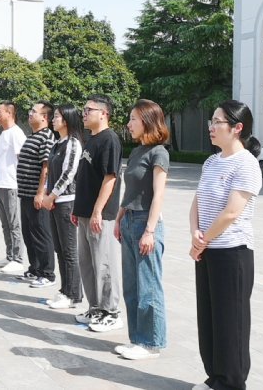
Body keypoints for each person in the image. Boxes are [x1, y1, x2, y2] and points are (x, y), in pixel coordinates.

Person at [190, 100, 262, 390]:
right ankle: (215, 378)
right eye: (212, 121)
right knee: (209, 319)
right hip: (207, 250)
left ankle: (231, 383)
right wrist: (195, 233)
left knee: (230, 323)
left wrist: (203, 240)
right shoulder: (211, 162)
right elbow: (197, 201)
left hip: (233, 253)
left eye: (217, 121)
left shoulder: (247, 164)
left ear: (237, 128)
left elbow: (232, 212)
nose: (211, 126)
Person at [113, 99, 170, 360]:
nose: (129, 124)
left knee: (149, 287)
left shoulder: (159, 153)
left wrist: (149, 231)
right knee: (132, 286)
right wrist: (119, 218)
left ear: (147, 121)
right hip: (129, 220)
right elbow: (130, 191)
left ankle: (151, 344)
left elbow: (158, 195)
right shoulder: (137, 151)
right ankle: (137, 339)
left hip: (146, 223)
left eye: (133, 119)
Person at [72, 94, 123, 332]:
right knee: (88, 264)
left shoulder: (109, 139)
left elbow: (110, 177)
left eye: (88, 110)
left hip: (100, 215)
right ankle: (96, 307)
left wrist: (97, 211)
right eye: (83, 110)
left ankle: (111, 311)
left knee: (104, 264)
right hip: (85, 213)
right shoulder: (91, 139)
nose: (84, 114)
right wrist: (78, 209)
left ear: (103, 113)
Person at [42, 103, 84, 309]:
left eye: (57, 116)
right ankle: (65, 290)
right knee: (59, 248)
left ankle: (74, 294)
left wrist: (52, 195)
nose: (53, 120)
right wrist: (46, 193)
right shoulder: (57, 143)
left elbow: (68, 173)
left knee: (69, 250)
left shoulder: (73, 143)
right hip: (54, 201)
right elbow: (50, 172)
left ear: (66, 120)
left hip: (66, 202)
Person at [16, 101, 56, 287]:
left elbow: (46, 167)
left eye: (34, 111)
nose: (30, 113)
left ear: (44, 117)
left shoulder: (47, 136)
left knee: (41, 233)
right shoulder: (32, 136)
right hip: (25, 194)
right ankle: (35, 269)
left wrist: (41, 192)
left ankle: (47, 273)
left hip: (35, 194)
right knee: (29, 233)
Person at [0, 101, 27, 274]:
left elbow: (22, 160)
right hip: (1, 185)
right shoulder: (3, 133)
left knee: (14, 224)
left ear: (9, 113)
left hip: (12, 185)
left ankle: (18, 259)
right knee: (5, 224)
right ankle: (9, 255)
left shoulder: (16, 133)